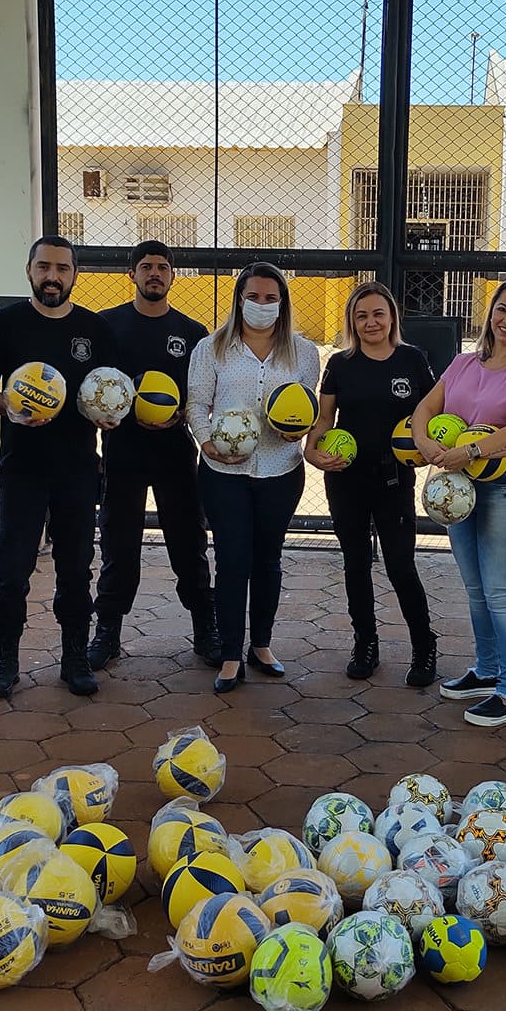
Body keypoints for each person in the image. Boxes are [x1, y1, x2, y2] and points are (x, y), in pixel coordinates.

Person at [0, 235, 119, 699]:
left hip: (78, 469)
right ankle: (3, 662)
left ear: (75, 274)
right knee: (10, 568)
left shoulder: (94, 331)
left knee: (75, 568)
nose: (52, 277)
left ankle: (75, 657)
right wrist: (10, 408)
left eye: (62, 268)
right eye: (44, 267)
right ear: (29, 270)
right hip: (21, 468)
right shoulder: (3, 325)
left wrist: (108, 414)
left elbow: (109, 392)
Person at [412, 281, 506, 727]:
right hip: (458, 486)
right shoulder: (462, 363)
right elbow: (424, 411)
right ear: (490, 313)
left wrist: (471, 451)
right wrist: (425, 446)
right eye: (502, 309)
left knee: (500, 592)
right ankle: (486, 670)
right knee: (475, 590)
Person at [187, 262, 321, 694]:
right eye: (253, 297)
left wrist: (298, 429)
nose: (262, 305)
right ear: (238, 299)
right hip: (223, 473)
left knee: (268, 560)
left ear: (282, 304)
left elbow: (307, 409)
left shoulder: (304, 353)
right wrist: (208, 444)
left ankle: (260, 645)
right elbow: (195, 404)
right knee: (232, 561)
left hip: (280, 470)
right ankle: (229, 655)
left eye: (271, 298)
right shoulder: (211, 349)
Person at [90, 241, 220, 671]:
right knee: (118, 542)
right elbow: (94, 387)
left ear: (173, 276)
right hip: (123, 451)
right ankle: (107, 630)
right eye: (146, 267)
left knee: (188, 542)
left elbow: (203, 397)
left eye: (163, 267)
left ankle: (206, 627)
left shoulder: (192, 333)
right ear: (132, 274)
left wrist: (181, 413)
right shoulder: (106, 326)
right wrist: (109, 414)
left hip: (174, 453)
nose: (155, 274)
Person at [306, 281, 438, 685]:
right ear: (352, 321)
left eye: (378, 313)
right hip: (346, 479)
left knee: (400, 565)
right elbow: (325, 418)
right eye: (361, 315)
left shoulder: (413, 360)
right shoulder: (341, 364)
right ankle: (365, 643)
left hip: (393, 479)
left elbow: (431, 415)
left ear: (392, 317)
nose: (370, 322)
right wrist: (312, 451)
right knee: (356, 564)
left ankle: (424, 647)